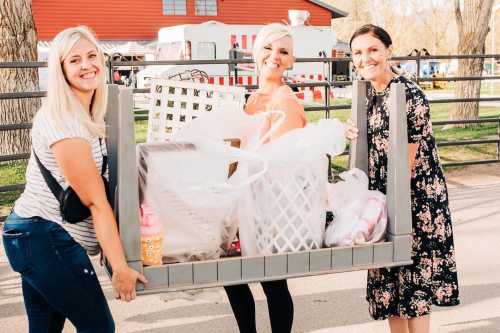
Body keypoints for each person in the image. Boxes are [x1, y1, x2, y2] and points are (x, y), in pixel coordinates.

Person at [2, 26, 147, 333]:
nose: (86, 65)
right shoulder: (64, 121)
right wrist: (120, 267)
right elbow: (95, 200)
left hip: (34, 235)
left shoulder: (87, 114)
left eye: (92, 55)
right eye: (75, 60)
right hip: (45, 237)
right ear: (62, 70)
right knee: (99, 328)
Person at [346, 24, 460, 333]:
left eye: (373, 50)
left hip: (414, 197)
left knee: (414, 279)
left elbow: (407, 163)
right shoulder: (367, 93)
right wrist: (350, 133)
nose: (365, 58)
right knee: (389, 281)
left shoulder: (409, 93)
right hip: (382, 196)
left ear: (388, 51)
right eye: (358, 52)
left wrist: (382, 209)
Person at [224, 23, 306, 333]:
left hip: (270, 203)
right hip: (243, 197)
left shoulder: (285, 102)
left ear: (291, 61)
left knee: (272, 281)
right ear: (256, 52)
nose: (275, 56)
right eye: (269, 48)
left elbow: (280, 162)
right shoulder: (252, 99)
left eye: (283, 51)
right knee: (231, 276)